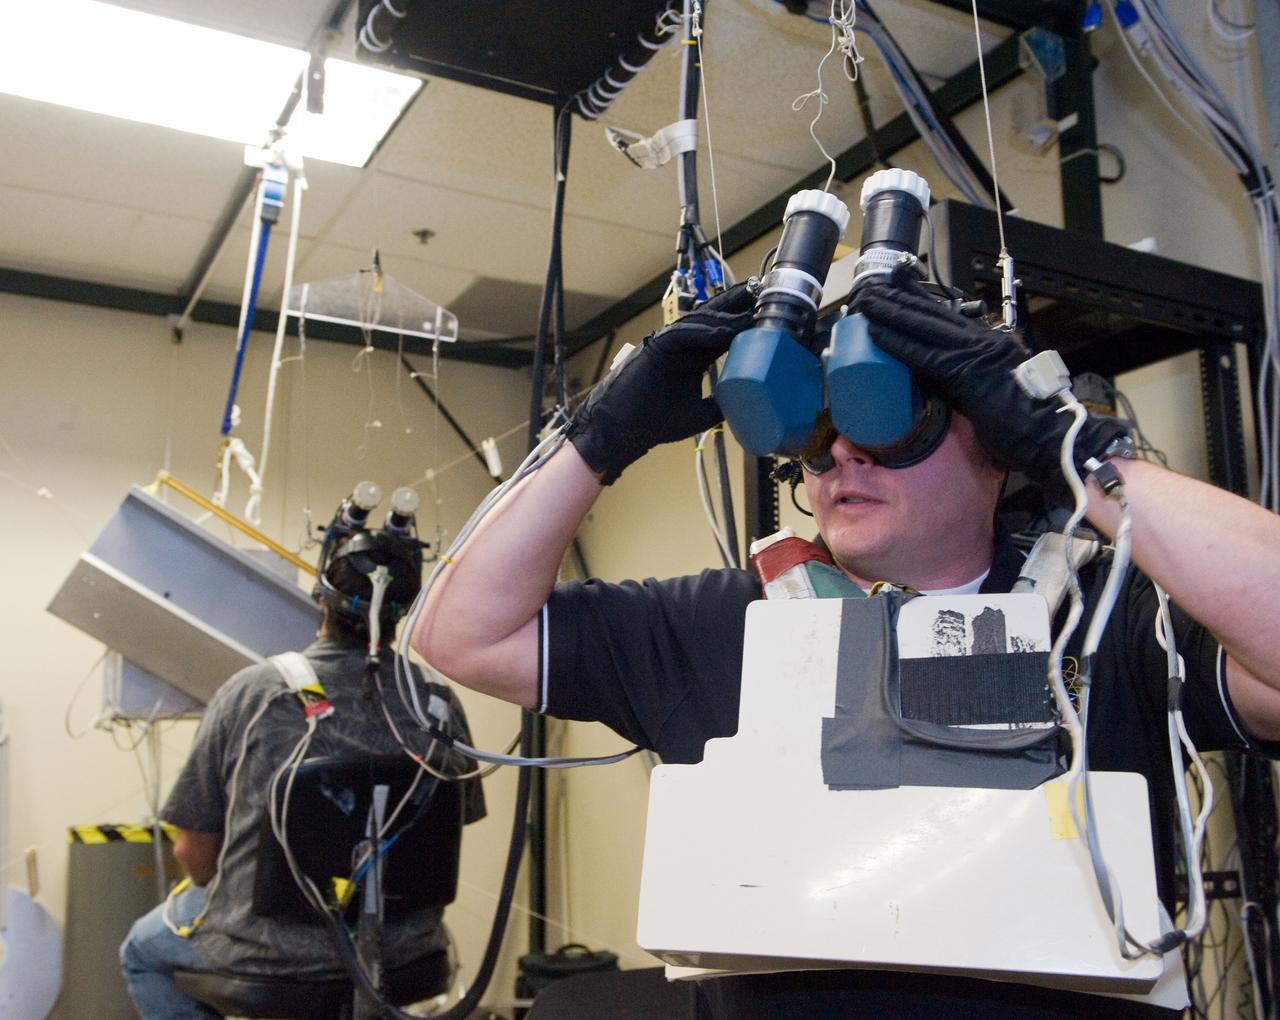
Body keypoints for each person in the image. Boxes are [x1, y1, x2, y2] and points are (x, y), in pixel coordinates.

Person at [411, 281, 1280, 1018]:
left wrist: (1079, 453)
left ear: (997, 448)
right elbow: (459, 634)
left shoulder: (1108, 618)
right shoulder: (725, 622)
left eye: (890, 414)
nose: (842, 457)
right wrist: (600, 436)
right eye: (819, 432)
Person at [120, 523, 486, 1020]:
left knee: (142, 952)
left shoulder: (252, 693)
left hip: (264, 951)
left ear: (321, 598)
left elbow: (194, 854)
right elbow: (444, 832)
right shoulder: (439, 703)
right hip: (403, 952)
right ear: (407, 609)